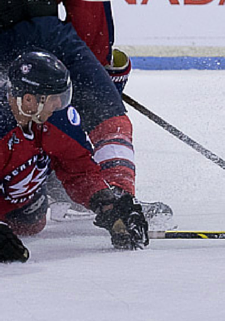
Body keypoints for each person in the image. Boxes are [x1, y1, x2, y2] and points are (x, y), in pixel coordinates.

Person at [1, 0, 136, 207]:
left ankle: (24, 188)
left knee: (13, 113)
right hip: (36, 30)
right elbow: (92, 29)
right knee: (102, 112)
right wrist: (99, 78)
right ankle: (116, 195)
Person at [1, 51, 148, 263]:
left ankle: (48, 186)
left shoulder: (56, 118)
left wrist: (108, 205)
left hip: (22, 204)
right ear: (29, 100)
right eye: (54, 99)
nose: (59, 105)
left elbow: (79, 170)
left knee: (31, 222)